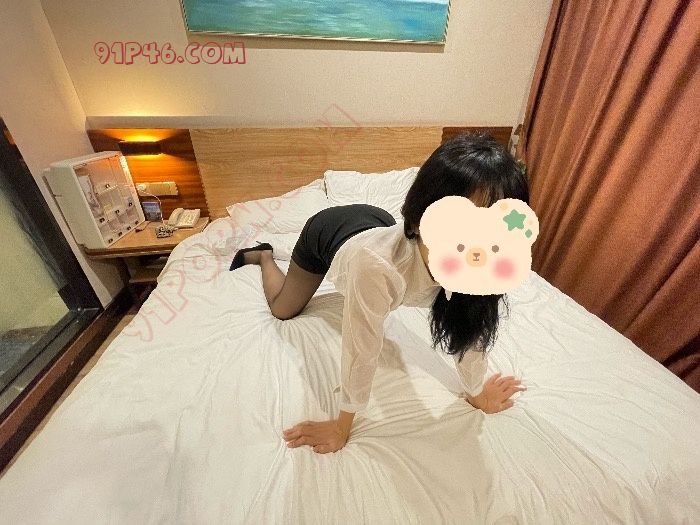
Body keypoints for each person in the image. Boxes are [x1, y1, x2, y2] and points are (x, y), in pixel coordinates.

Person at [230, 132, 528, 454]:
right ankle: (264, 256)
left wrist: (476, 392)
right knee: (283, 310)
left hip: (375, 221)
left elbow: (470, 327)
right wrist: (341, 426)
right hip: (327, 233)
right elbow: (360, 347)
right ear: (420, 219)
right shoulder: (376, 266)